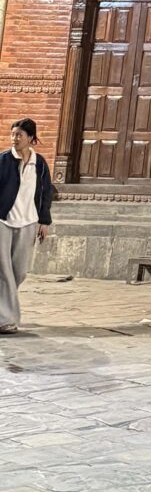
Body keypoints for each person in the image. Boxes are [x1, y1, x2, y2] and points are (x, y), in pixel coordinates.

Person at [0, 119, 53, 333]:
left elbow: (45, 193)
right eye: (13, 135)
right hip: (3, 220)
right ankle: (6, 321)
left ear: (31, 138)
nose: (15, 139)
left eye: (19, 135)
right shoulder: (3, 160)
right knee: (3, 272)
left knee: (19, 271)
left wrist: (44, 221)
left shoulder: (39, 164)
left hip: (28, 221)